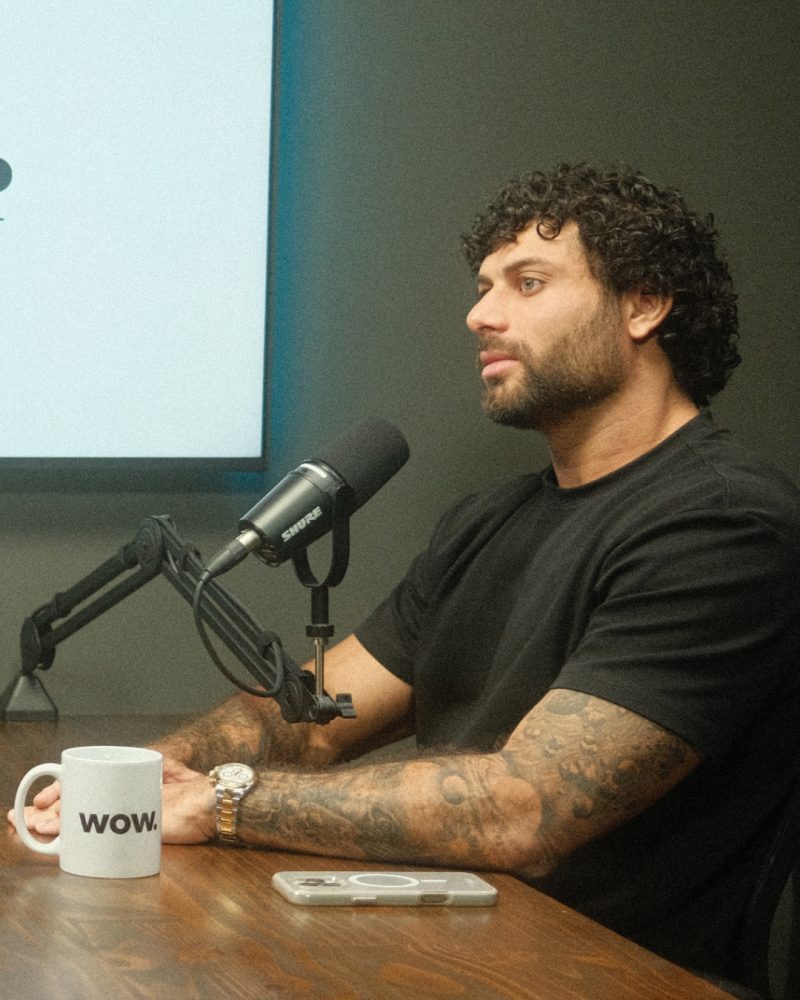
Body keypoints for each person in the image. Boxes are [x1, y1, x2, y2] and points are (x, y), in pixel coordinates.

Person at [11, 163, 800, 986]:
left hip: (601, 976)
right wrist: (132, 781)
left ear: (644, 305)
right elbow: (308, 719)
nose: (480, 315)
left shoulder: (724, 525)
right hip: (445, 953)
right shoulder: (490, 520)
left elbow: (526, 807)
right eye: (484, 287)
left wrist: (221, 801)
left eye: (528, 283)